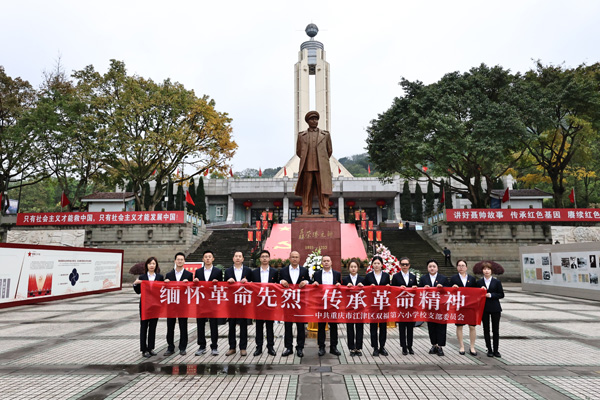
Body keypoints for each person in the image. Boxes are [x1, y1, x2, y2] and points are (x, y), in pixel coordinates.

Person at [294, 111, 333, 215]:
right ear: (307, 121)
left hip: (322, 167)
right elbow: (298, 151)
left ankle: (324, 209)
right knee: (307, 190)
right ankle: (306, 210)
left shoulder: (325, 135)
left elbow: (329, 150)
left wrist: (322, 160)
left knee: (323, 189)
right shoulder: (302, 135)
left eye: (316, 119)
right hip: (307, 166)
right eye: (312, 119)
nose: (314, 121)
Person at [279, 250, 310, 357]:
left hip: (300, 303)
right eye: (293, 257)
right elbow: (277, 282)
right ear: (289, 258)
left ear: (299, 258)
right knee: (288, 326)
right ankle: (288, 348)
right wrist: (281, 281)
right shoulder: (283, 271)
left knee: (300, 326)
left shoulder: (304, 270)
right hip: (287, 302)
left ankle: (300, 348)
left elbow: (309, 281)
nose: (295, 259)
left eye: (296, 257)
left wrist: (305, 282)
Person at [193, 250, 223, 356]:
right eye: (206, 257)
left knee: (213, 324)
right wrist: (195, 282)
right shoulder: (198, 271)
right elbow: (195, 287)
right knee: (200, 324)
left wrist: (217, 283)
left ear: (213, 259)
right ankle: (202, 346)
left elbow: (222, 287)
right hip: (201, 302)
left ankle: (214, 346)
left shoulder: (217, 272)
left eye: (210, 257)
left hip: (213, 302)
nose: (208, 259)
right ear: (203, 259)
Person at [133, 256, 164, 358]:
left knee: (153, 327)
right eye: (150, 263)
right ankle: (144, 349)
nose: (152, 265)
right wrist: (135, 284)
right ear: (147, 265)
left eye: (153, 264)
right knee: (144, 327)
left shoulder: (159, 277)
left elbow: (162, 290)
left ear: (156, 265)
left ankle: (151, 348)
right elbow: (138, 291)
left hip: (155, 305)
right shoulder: (142, 277)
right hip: (145, 306)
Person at [311, 255, 342, 357]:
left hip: (333, 304)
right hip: (321, 304)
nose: (326, 263)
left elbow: (341, 288)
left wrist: (339, 286)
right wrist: (313, 283)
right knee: (321, 326)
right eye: (324, 261)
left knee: (333, 326)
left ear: (331, 262)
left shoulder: (337, 274)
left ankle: (334, 347)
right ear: (322, 263)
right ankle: (321, 347)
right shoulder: (317, 274)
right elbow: (313, 287)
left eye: (328, 261)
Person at [163, 252, 193, 356]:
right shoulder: (169, 275)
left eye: (181, 259)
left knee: (183, 326)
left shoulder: (189, 275)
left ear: (184, 261)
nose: (180, 261)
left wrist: (188, 284)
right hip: (171, 304)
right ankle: (170, 347)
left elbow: (193, 290)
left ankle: (182, 347)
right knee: (170, 326)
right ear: (175, 261)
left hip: (183, 305)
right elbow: (164, 291)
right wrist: (165, 284)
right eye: (178, 259)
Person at [224, 250, 253, 356]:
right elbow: (224, 287)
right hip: (231, 303)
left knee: (243, 326)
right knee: (231, 326)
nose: (237, 258)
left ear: (243, 259)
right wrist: (228, 281)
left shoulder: (248, 270)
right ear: (233, 258)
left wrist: (247, 282)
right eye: (236, 256)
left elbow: (253, 285)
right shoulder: (228, 271)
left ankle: (243, 347)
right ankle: (232, 347)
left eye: (240, 256)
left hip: (243, 302)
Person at [251, 250, 279, 356]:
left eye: (266, 256)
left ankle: (270, 347)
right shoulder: (254, 272)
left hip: (269, 303)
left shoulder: (274, 272)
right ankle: (259, 347)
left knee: (269, 326)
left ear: (269, 258)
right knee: (258, 326)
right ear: (260, 259)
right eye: (262, 256)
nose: (264, 258)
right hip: (258, 303)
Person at [418, 259, 449, 356]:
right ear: (427, 268)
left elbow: (449, 292)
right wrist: (424, 288)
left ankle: (440, 346)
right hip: (429, 307)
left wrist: (442, 288)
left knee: (441, 326)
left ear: (437, 268)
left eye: (434, 266)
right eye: (430, 266)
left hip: (441, 307)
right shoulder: (423, 278)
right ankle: (434, 345)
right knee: (431, 326)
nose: (432, 268)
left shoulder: (443, 278)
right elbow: (418, 291)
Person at [449, 259, 478, 356]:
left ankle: (472, 347)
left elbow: (476, 292)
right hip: (459, 306)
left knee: (472, 326)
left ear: (466, 267)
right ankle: (461, 346)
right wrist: (452, 288)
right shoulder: (453, 278)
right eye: (459, 265)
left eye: (463, 265)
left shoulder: (472, 279)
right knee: (459, 326)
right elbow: (448, 292)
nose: (461, 267)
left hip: (470, 306)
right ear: (457, 267)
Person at [364, 255, 391, 357]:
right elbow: (365, 290)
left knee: (383, 327)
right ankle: (375, 347)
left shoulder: (386, 276)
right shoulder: (368, 276)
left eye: (378, 263)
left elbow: (389, 290)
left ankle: (382, 347)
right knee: (373, 327)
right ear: (372, 265)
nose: (376, 265)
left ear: (382, 265)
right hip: (373, 305)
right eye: (374, 263)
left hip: (383, 305)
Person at [476, 261, 505, 358]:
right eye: (484, 269)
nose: (486, 271)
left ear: (491, 271)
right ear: (482, 271)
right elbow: (475, 296)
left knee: (495, 330)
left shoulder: (496, 282)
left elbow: (501, 294)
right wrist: (481, 292)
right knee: (486, 329)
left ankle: (496, 350)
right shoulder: (479, 282)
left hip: (495, 308)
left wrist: (491, 295)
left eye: (488, 269)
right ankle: (489, 349)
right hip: (484, 308)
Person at [390, 257, 418, 355]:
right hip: (401, 306)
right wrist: (399, 288)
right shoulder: (396, 276)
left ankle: (410, 346)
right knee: (402, 327)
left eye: (406, 264)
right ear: (400, 265)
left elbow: (416, 291)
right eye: (403, 264)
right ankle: (403, 347)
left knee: (410, 327)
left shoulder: (413, 277)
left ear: (409, 265)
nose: (405, 266)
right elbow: (392, 290)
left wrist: (414, 288)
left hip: (410, 306)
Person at [342, 258, 365, 356]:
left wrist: (362, 286)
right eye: (351, 267)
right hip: (349, 307)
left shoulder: (362, 279)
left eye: (355, 267)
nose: (353, 269)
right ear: (348, 268)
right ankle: (351, 348)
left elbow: (367, 293)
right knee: (350, 328)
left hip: (360, 307)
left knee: (359, 327)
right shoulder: (345, 279)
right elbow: (340, 293)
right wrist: (346, 287)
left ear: (358, 268)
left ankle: (358, 348)